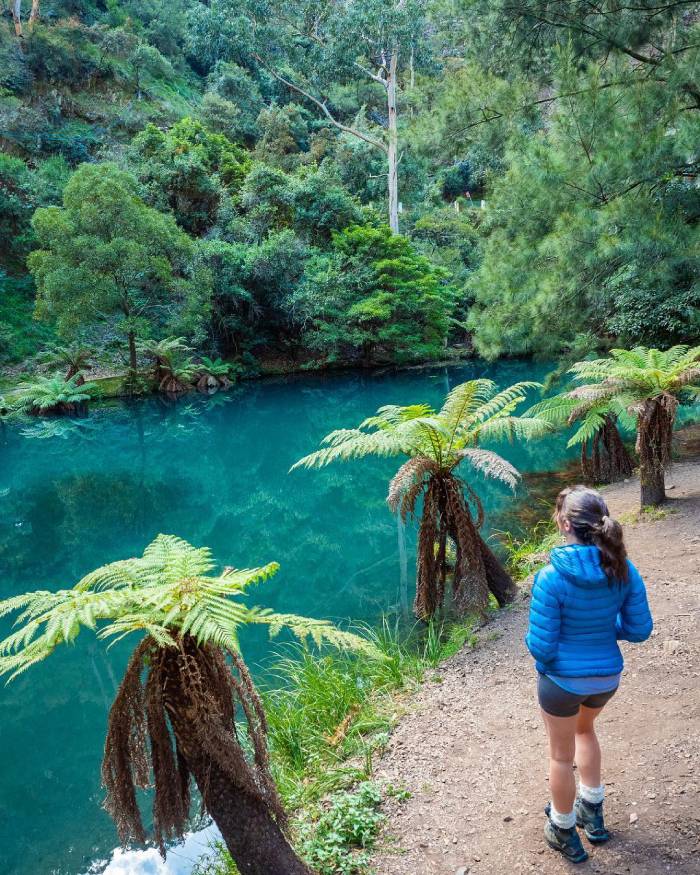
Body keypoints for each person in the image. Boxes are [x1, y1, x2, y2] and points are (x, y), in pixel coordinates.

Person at [525, 485, 653, 863]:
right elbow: (639, 629)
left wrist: (550, 662)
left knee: (561, 757)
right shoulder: (622, 568)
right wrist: (600, 630)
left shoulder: (550, 577)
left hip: (561, 683)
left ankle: (563, 829)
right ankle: (592, 815)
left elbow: (542, 647)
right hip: (604, 681)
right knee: (586, 730)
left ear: (565, 524)